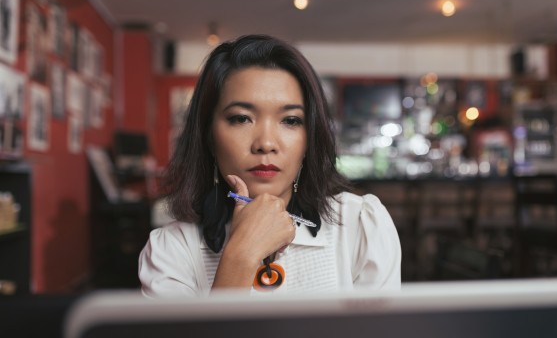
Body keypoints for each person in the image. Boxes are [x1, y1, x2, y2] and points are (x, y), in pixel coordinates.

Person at [139, 34, 401, 296]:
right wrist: (241, 255)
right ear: (208, 136)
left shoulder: (360, 226)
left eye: (290, 120)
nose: (265, 143)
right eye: (241, 118)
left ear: (309, 138)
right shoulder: (171, 249)